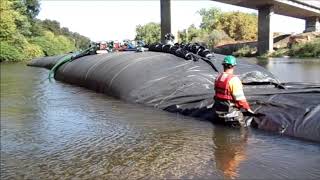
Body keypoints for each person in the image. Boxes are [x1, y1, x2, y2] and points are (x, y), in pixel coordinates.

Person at [213, 55, 254, 126]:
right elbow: (240, 99)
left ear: (223, 65)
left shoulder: (218, 78)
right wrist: (248, 109)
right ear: (233, 66)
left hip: (218, 113)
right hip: (231, 115)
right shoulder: (234, 80)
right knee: (242, 134)